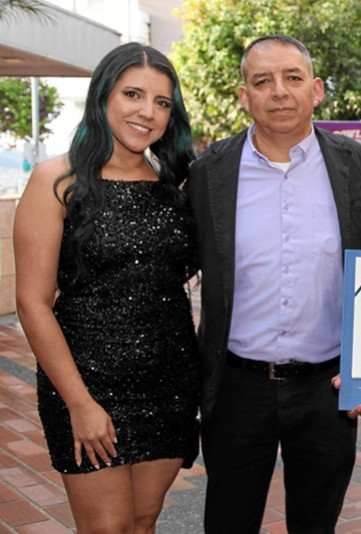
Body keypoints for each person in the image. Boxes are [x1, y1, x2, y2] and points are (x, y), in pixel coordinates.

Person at [185, 35, 361, 533]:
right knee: (228, 522)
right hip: (236, 387)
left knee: (316, 524)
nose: (279, 91)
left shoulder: (359, 167)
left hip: (326, 390)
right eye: (262, 81)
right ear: (244, 96)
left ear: (317, 90)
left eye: (292, 77)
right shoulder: (208, 173)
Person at [13, 42, 199, 532]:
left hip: (171, 383)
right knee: (107, 527)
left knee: (143, 520)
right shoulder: (57, 180)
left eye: (162, 102)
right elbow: (32, 304)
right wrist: (80, 404)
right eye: (132, 94)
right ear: (103, 96)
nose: (147, 112)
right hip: (87, 384)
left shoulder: (176, 185)